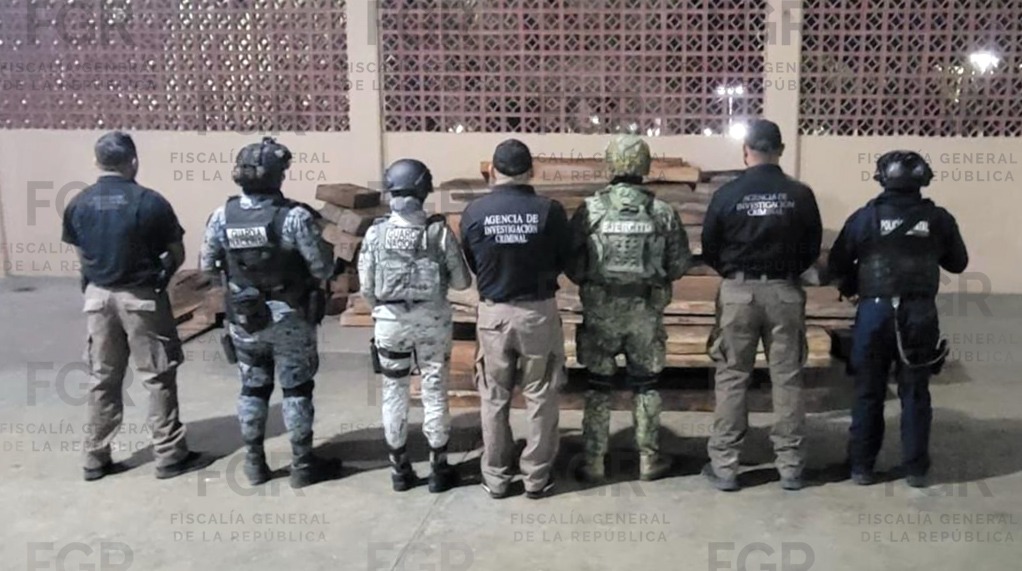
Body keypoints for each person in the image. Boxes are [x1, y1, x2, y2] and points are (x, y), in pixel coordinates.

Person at [62, 131, 213, 481]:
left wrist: (96, 282)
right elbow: (176, 252)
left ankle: (95, 457)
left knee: (103, 376)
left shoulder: (79, 203)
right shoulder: (150, 202)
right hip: (142, 298)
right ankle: (170, 454)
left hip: (98, 299)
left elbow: (81, 255)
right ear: (133, 161)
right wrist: (161, 277)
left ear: (96, 161)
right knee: (157, 375)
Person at [200, 136, 339, 489]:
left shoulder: (221, 216)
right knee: (296, 389)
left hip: (245, 319)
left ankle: (254, 463)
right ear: (278, 176)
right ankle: (302, 465)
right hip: (290, 316)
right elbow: (322, 267)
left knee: (253, 388)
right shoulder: (294, 218)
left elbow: (207, 266)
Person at [829, 151, 968, 488]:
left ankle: (861, 467)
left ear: (881, 179)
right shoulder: (939, 220)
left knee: (868, 390)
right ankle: (916, 470)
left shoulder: (865, 218)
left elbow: (836, 264)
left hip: (874, 312)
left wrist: (853, 288)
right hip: (919, 313)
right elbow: (958, 263)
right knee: (915, 390)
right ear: (923, 179)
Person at [701, 119, 823, 492]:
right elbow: (811, 247)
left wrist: (736, 274)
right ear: (781, 150)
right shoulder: (800, 194)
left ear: (745, 151)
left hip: (738, 293)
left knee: (732, 376)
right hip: (785, 293)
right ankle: (791, 466)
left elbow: (710, 246)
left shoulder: (727, 194)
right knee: (787, 378)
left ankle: (725, 466)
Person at [565, 135, 692, 483]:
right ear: (645, 165)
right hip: (645, 313)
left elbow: (572, 264)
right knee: (646, 386)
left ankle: (593, 461)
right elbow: (679, 264)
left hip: (600, 312)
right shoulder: (661, 212)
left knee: (598, 387)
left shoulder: (590, 210)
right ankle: (649, 459)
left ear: (610, 164)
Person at [460, 139, 571, 499]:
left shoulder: (474, 212)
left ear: (492, 170)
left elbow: (472, 261)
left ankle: (496, 476)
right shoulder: (550, 211)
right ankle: (536, 477)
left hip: (493, 314)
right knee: (540, 394)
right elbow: (564, 258)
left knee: (494, 396)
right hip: (537, 314)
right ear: (532, 170)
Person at [357, 159, 472, 493]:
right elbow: (462, 282)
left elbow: (366, 287)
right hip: (432, 323)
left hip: (390, 324)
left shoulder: (376, 233)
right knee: (434, 390)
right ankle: (438, 469)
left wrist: (384, 311)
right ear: (424, 191)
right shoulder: (438, 232)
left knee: (394, 391)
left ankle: (399, 470)